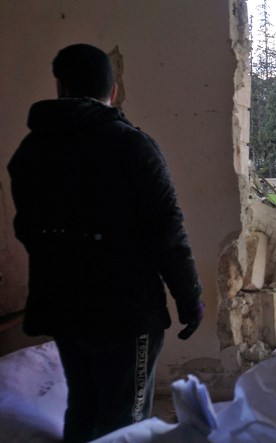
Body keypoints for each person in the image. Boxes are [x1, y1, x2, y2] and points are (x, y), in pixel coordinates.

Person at [7, 44, 204, 442]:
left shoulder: (30, 151)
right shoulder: (131, 146)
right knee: (127, 423)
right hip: (125, 316)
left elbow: (27, 229)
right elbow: (168, 233)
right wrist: (189, 298)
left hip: (61, 308)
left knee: (82, 405)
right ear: (114, 90)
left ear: (59, 86)